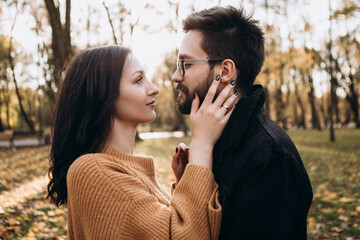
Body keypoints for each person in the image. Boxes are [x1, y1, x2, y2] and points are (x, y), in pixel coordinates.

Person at [47, 45, 239, 239]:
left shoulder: (126, 168)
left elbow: (165, 228)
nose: (154, 89)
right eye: (138, 80)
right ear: (103, 93)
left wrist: (187, 182)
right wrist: (202, 144)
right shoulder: (92, 170)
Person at [171, 6, 313, 239]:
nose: (176, 76)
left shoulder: (271, 159)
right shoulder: (212, 141)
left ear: (225, 70)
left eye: (186, 64)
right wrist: (190, 179)